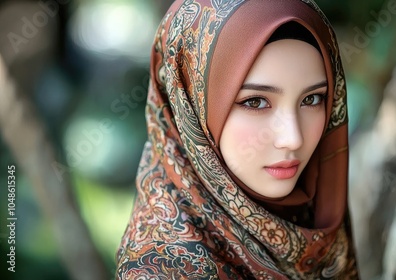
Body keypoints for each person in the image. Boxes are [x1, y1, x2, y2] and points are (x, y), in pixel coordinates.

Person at [116, 0, 358, 278]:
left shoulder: (317, 216)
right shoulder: (167, 269)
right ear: (189, 105)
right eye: (255, 102)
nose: (292, 138)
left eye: (312, 99)